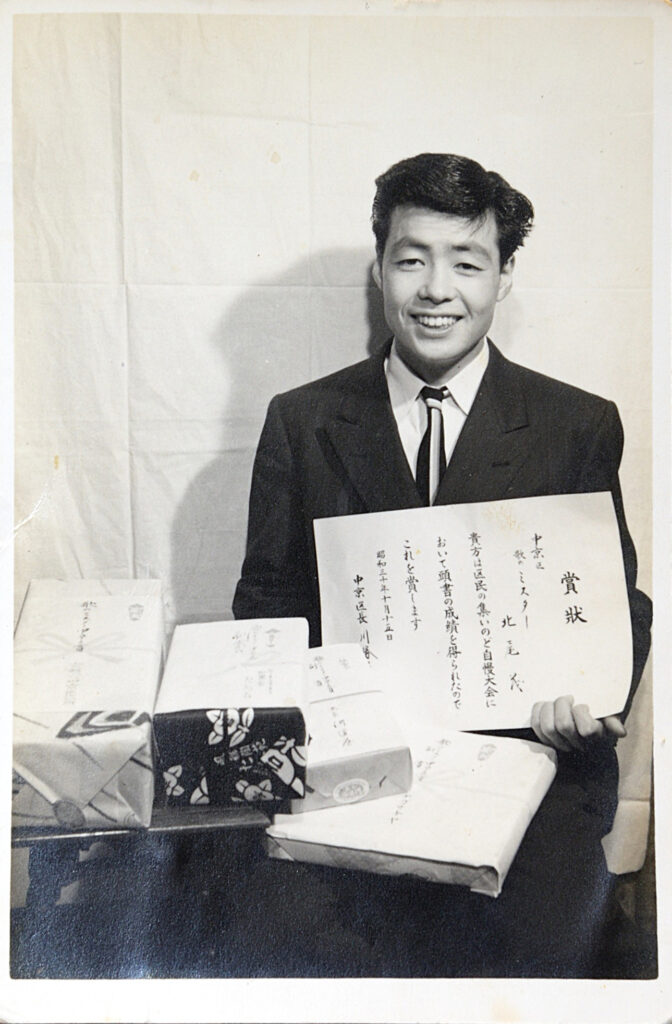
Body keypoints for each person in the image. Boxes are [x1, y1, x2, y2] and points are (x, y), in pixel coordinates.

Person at [232, 153, 652, 976]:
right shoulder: (302, 420)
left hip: (528, 766)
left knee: (534, 957)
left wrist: (593, 695)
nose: (435, 290)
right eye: (412, 259)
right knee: (301, 954)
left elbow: (613, 599)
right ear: (379, 267)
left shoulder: (576, 424)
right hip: (355, 776)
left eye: (467, 263)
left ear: (503, 277)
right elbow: (265, 607)